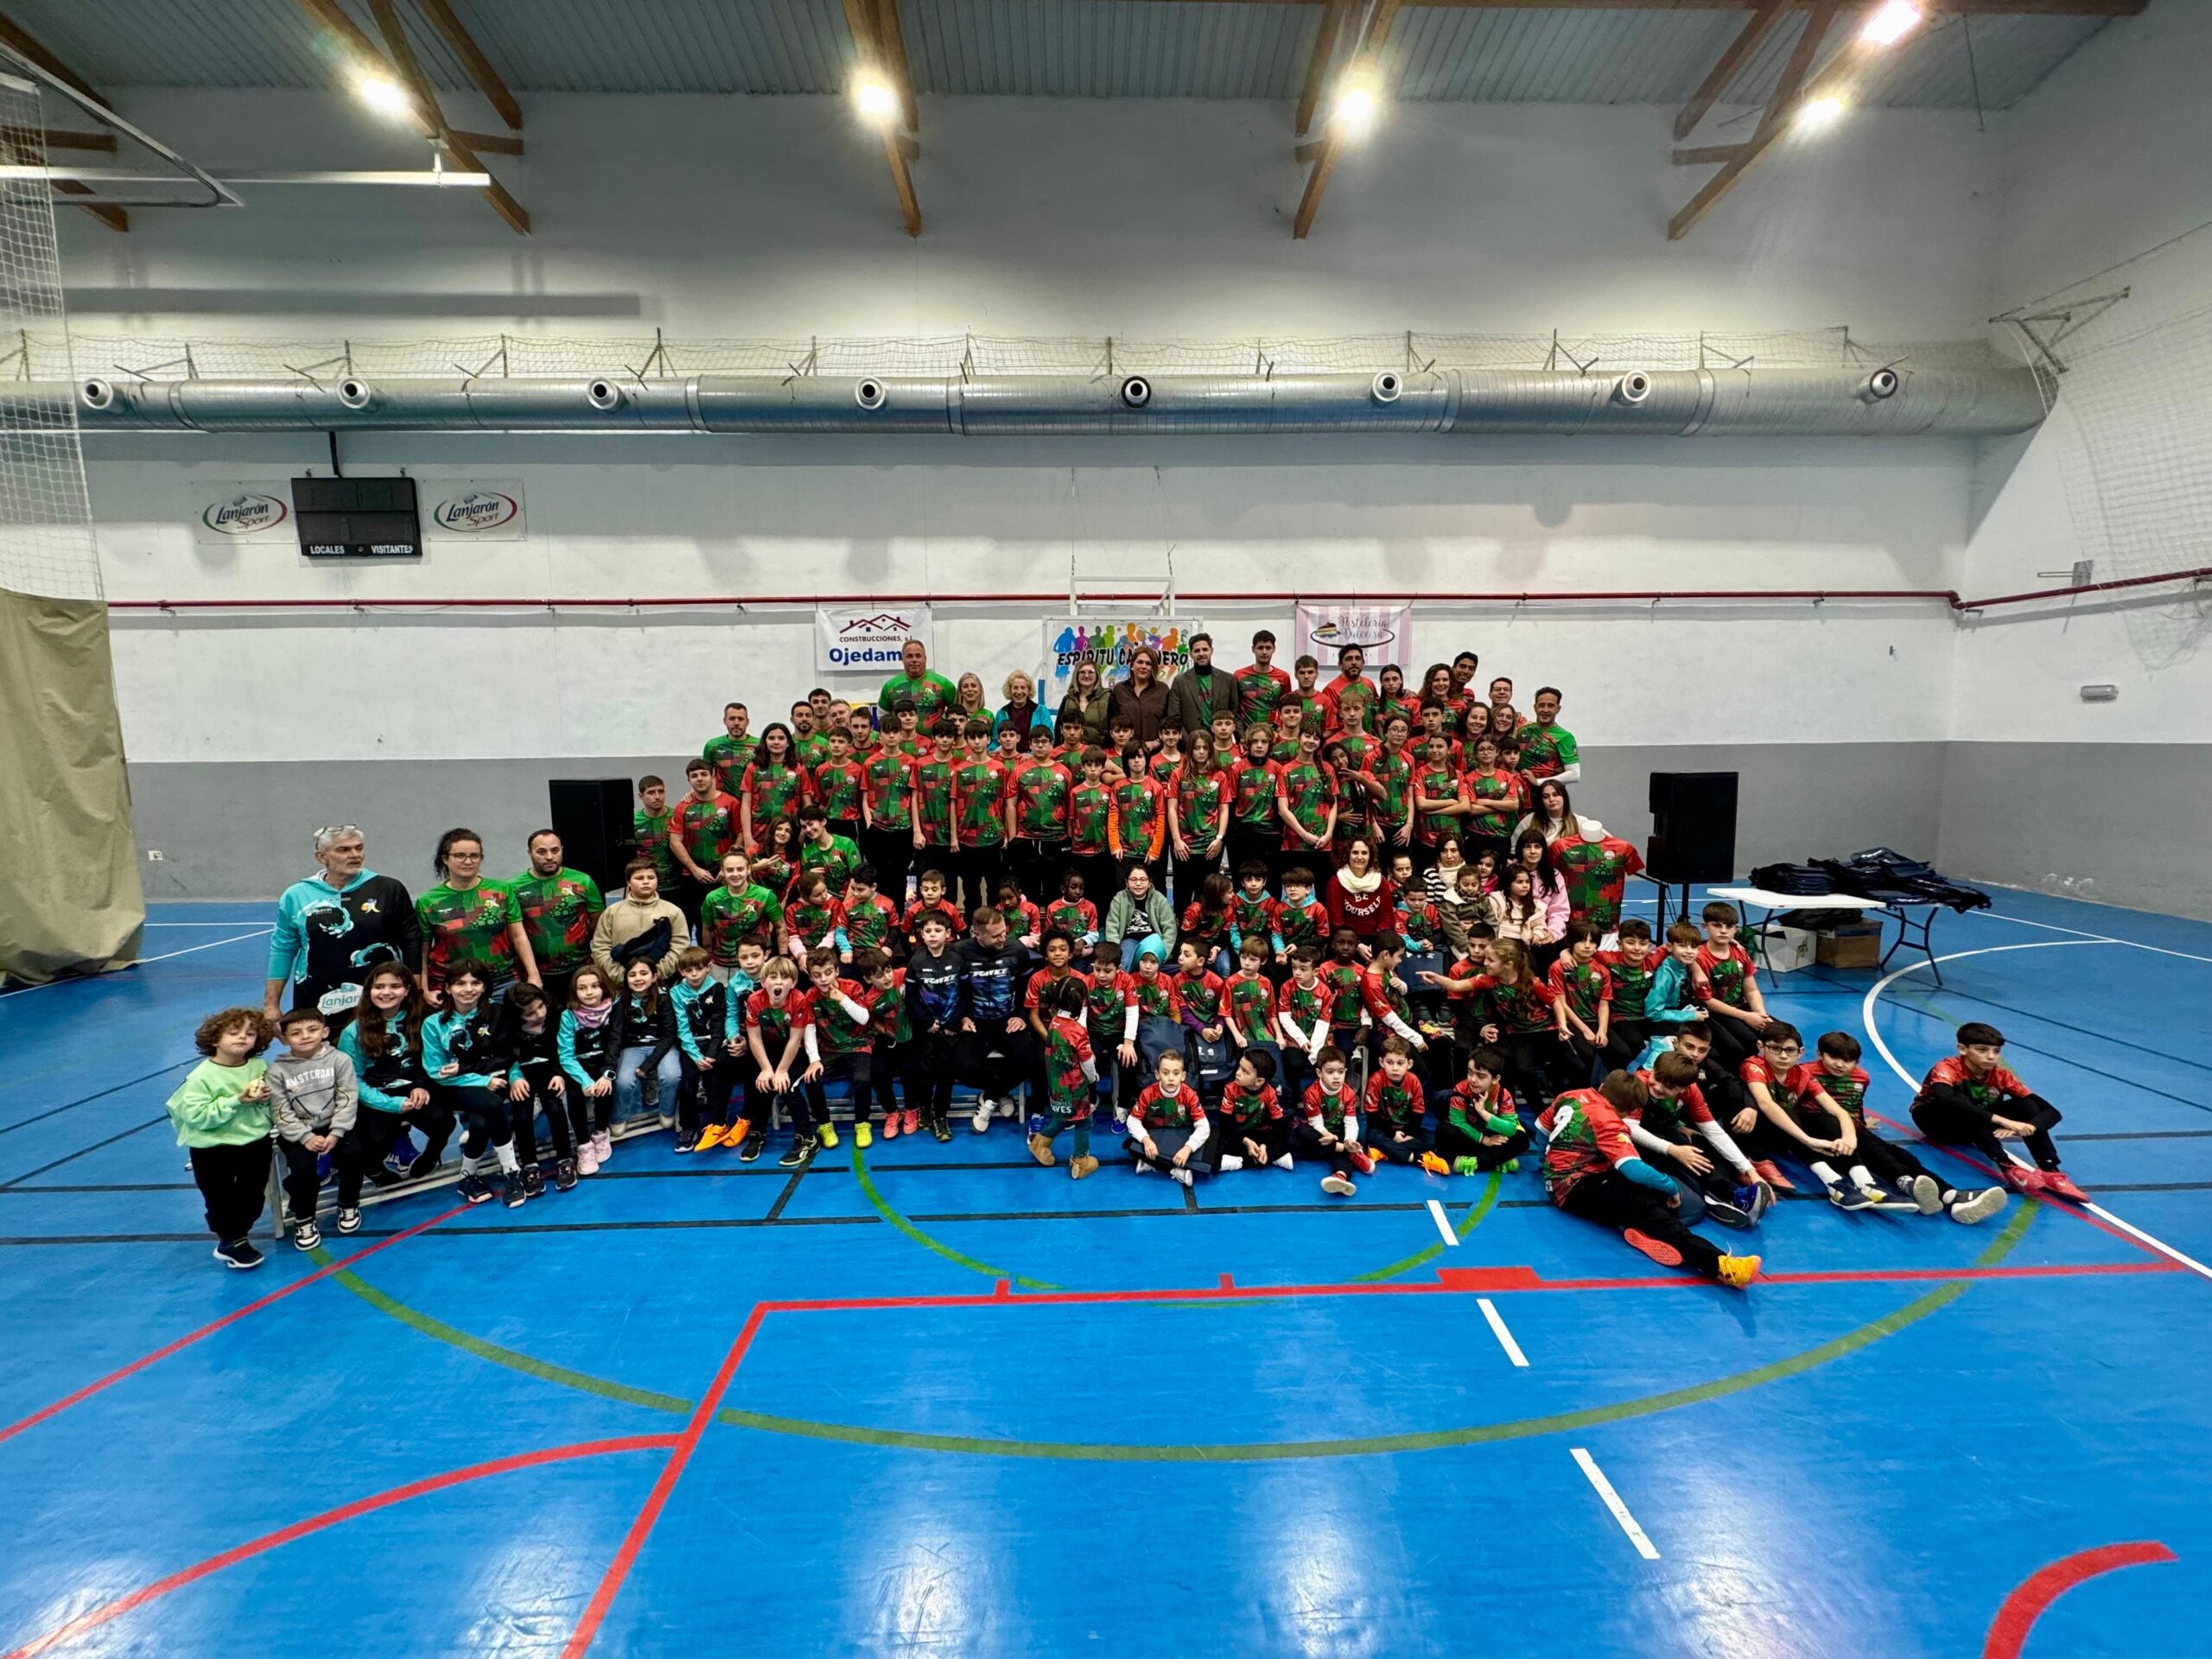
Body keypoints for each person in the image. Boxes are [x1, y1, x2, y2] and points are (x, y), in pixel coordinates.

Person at [1538, 1072, 1760, 1287]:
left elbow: (1541, 1128)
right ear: (1627, 1111)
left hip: (1576, 1177)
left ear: (1603, 1086)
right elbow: (1633, 1169)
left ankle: (1642, 1230)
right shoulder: (1609, 1121)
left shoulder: (1572, 1095)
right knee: (1648, 1207)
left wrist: (1546, 1162)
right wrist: (1670, 1187)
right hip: (1574, 1187)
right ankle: (1721, 1265)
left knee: (1653, 1197)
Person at [1911, 1021, 2086, 1199]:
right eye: (1982, 1050)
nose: (1991, 1057)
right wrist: (2005, 1121)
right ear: (1962, 1049)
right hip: (1936, 1123)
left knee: (2027, 1105)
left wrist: (2029, 1127)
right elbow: (1947, 1100)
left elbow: (2052, 1112)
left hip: (1973, 1124)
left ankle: (2050, 1170)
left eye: (1996, 1051)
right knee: (1962, 1102)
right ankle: (2007, 1165)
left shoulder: (2001, 1076)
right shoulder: (1947, 1068)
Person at [264, 825, 420, 1024]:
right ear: (321, 857)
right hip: (317, 999)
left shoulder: (389, 889)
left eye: (359, 848)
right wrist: (271, 1004)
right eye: (344, 850)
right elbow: (282, 949)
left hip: (380, 999)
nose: (355, 855)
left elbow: (412, 942)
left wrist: (417, 992)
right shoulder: (296, 895)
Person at [167, 1007, 278, 1268]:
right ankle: (231, 1241)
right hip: (213, 1148)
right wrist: (237, 1100)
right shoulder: (201, 1077)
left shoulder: (259, 1066)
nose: (242, 1037)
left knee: (253, 1196)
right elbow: (198, 1116)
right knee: (220, 1199)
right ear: (215, 1039)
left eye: (250, 1033)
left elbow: (268, 1104)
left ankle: (237, 1235)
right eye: (234, 1032)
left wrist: (266, 1098)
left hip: (254, 1141)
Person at [335, 963, 442, 1205]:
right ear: (369, 991)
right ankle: (375, 1170)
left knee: (443, 1120)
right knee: (376, 1140)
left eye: (395, 986)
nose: (386, 992)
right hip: (376, 1093)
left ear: (407, 990)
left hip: (414, 1087)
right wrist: (391, 1104)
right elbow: (352, 1080)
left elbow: (431, 1060)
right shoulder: (354, 1031)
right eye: (379, 987)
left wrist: (422, 1085)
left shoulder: (421, 1019)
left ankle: (430, 1155)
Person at [422, 960, 526, 1207]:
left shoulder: (498, 1014)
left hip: (495, 1079)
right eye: (460, 983)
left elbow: (507, 1056)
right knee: (490, 1104)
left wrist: (514, 1076)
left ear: (485, 987)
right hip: (453, 1086)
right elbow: (437, 1071)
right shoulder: (433, 1024)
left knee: (480, 1122)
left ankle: (467, 1176)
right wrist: (483, 1079)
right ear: (448, 988)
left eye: (475, 983)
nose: (468, 989)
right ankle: (512, 1170)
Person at [265, 1007, 358, 1249]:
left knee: (353, 1155)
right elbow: (281, 1111)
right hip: (299, 1132)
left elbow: (347, 1097)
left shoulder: (340, 1060)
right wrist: (305, 1137)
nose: (305, 1036)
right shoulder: (277, 1071)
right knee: (303, 1168)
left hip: (335, 1125)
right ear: (284, 1039)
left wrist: (336, 1132)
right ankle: (305, 1218)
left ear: (324, 1032)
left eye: (312, 1030)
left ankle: (348, 1203)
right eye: (296, 1033)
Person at [416, 829, 537, 1002]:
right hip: (453, 987)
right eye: (459, 856)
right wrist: (424, 989)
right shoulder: (428, 902)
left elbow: (518, 935)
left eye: (474, 856)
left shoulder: (502, 891)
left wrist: (533, 975)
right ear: (445, 859)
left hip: (502, 982)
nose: (468, 861)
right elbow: (423, 950)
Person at [954, 905, 1036, 1132]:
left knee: (1029, 1057)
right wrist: (961, 1018)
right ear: (977, 934)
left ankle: (989, 1099)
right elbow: (954, 989)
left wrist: (1021, 1016)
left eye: (1004, 932)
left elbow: (1026, 986)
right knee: (962, 1067)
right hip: (975, 1022)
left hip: (1007, 1020)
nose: (1003, 939)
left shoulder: (1017, 949)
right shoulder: (959, 952)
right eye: (995, 936)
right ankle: (1000, 1092)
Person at [496, 981, 582, 1193]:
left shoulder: (556, 1015)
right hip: (522, 1073)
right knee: (522, 1113)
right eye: (530, 1013)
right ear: (517, 1016)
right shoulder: (508, 1026)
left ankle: (565, 1157)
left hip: (550, 1069)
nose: (539, 1014)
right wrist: (515, 1078)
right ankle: (529, 1164)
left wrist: (558, 1074)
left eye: (541, 1007)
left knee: (554, 1106)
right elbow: (507, 1056)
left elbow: (563, 1049)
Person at [508, 830, 604, 1011]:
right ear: (530, 853)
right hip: (537, 974)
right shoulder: (513, 887)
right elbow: (514, 931)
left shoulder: (582, 881)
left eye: (555, 850)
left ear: (562, 850)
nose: (549, 857)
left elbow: (597, 921)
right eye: (541, 852)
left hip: (580, 970)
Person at [744, 956, 825, 1167]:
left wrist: (781, 1071)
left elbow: (795, 1040)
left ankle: (807, 1138)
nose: (778, 982)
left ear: (793, 982)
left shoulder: (799, 1000)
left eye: (784, 977)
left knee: (787, 1087)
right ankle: (757, 1133)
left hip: (794, 1051)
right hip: (769, 1050)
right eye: (773, 977)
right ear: (763, 982)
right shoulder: (754, 1000)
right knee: (762, 1085)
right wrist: (766, 1069)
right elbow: (754, 1038)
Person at [804, 950, 883, 1148]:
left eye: (828, 972)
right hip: (829, 1048)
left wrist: (842, 999)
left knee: (863, 1080)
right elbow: (809, 1028)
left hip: (859, 1044)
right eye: (817, 975)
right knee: (812, 1079)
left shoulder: (853, 987)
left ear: (836, 971)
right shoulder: (811, 996)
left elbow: (864, 1019)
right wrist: (814, 1059)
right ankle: (824, 1124)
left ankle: (862, 1123)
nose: (823, 979)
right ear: (811, 977)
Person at [1027, 976, 1103, 1179]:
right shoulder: (1078, 1031)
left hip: (1055, 1083)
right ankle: (1080, 1161)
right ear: (1082, 1001)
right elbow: (1087, 1063)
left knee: (1062, 1116)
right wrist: (1092, 1079)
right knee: (1084, 1120)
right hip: (1074, 1086)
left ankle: (1040, 1142)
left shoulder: (1054, 1022)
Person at [669, 946, 741, 1154]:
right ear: (681, 971)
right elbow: (682, 1027)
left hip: (713, 1045)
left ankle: (716, 1122)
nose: (694, 974)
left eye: (698, 969)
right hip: (691, 1047)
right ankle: (688, 1126)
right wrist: (696, 1056)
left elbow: (719, 1024)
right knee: (687, 1083)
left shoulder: (717, 989)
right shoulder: (676, 992)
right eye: (688, 970)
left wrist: (711, 1054)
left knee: (715, 1081)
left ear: (708, 968)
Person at [556, 963, 621, 1173]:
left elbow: (615, 1042)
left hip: (604, 1062)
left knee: (605, 1089)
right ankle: (584, 1145)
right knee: (575, 1096)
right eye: (582, 988)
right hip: (578, 1066)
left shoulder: (614, 1008)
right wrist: (584, 1080)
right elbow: (565, 1055)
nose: (589, 992)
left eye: (595, 986)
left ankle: (600, 1133)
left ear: (604, 987)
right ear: (574, 991)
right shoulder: (568, 1016)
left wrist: (607, 1074)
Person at [1691, 901, 1768, 1070]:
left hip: (1740, 1008)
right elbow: (1707, 1001)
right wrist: (1746, 1016)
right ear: (1705, 926)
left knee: (1781, 1033)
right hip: (1714, 1012)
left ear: (1735, 929)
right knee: (1745, 1043)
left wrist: (1761, 1015)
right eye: (1717, 925)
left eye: (1729, 926)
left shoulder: (1739, 952)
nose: (1724, 931)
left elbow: (1752, 990)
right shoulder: (1698, 957)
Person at [1434, 1046, 1532, 1177]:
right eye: (1470, 1073)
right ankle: (1499, 1159)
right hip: (1471, 1134)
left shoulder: (1503, 1094)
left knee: (1522, 1140)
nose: (1473, 1080)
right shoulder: (1460, 1090)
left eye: (1481, 1076)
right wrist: (1484, 1140)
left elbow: (1509, 1130)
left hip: (1492, 1132)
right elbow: (1458, 1122)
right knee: (1445, 1133)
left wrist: (1482, 1112)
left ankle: (1476, 1162)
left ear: (1495, 1079)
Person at [590, 859, 688, 985]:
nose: (646, 882)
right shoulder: (612, 912)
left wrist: (654, 975)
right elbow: (600, 948)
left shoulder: (673, 912)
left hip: (660, 983)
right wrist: (623, 976)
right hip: (620, 985)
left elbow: (680, 947)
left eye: (651, 878)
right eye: (639, 878)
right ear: (628, 882)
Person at [669, 760, 741, 928]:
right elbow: (675, 842)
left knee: (726, 921)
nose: (699, 779)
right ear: (689, 781)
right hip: (693, 874)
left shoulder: (731, 803)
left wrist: (727, 867)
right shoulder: (682, 807)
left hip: (723, 874)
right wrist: (694, 869)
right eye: (694, 776)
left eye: (704, 774)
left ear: (713, 776)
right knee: (697, 922)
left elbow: (741, 836)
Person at [1126, 1050, 1210, 1187]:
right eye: (1165, 1073)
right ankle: (1175, 1170)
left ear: (1183, 1076)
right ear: (1157, 1074)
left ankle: (1153, 1164)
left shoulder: (1190, 1095)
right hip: (1156, 1138)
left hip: (1181, 1137)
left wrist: (1187, 1148)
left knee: (1208, 1150)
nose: (1171, 1078)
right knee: (1131, 1145)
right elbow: (1132, 1120)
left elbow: (1204, 1127)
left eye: (1176, 1073)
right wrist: (1146, 1140)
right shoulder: (1147, 1094)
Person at [1010, 722, 1073, 905]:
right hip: (1026, 839)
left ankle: (1052, 923)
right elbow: (1011, 805)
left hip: (1056, 839)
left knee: (1054, 891)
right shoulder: (1020, 770)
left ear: (1052, 744)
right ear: (1030, 744)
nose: (1040, 745)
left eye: (1045, 742)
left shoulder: (1064, 772)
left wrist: (1069, 835)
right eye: (1036, 742)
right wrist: (1013, 836)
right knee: (1028, 891)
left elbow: (1070, 806)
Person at [861, 701, 918, 904]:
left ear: (902, 735)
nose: (892, 736)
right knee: (879, 876)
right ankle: (881, 915)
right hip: (878, 828)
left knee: (900, 876)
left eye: (895, 732)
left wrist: (915, 828)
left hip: (903, 828)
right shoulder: (871, 763)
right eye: (887, 732)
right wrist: (869, 823)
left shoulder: (911, 762)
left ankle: (898, 919)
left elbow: (914, 796)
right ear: (880, 735)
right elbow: (864, 796)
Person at [1295, 1046, 1370, 1198]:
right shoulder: (1311, 1093)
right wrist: (1327, 1135)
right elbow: (1316, 1123)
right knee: (1301, 1131)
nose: (1336, 1077)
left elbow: (1350, 1121)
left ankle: (1340, 1175)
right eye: (1330, 1072)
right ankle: (1351, 1153)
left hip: (1338, 1134)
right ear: (1319, 1073)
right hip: (1322, 1133)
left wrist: (1349, 1140)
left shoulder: (1349, 1093)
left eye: (1340, 1072)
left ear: (1345, 1071)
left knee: (1360, 1132)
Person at [1548, 818, 1643, 938]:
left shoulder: (1624, 848)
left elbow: (1634, 867)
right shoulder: (1560, 846)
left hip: (1608, 929)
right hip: (1572, 928)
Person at [1168, 729, 1230, 906]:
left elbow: (1224, 809)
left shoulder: (1219, 776)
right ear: (1190, 750)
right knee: (1182, 892)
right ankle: (1181, 922)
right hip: (1184, 844)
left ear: (1211, 750)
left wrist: (1220, 839)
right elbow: (1172, 809)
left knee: (1207, 893)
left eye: (1205, 748)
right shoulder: (1178, 774)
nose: (1201, 752)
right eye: (1196, 748)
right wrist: (1176, 840)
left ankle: (1205, 923)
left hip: (1210, 844)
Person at [698, 851, 782, 978]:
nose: (735, 874)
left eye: (740, 869)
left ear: (748, 869)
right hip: (721, 963)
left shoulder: (765, 896)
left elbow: (781, 927)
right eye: (730, 870)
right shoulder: (712, 898)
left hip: (757, 963)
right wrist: (708, 958)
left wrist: (783, 958)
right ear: (723, 871)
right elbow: (707, 930)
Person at [1549, 920, 1611, 1084]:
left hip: (1594, 1020)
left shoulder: (1602, 970)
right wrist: (1585, 1031)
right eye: (1582, 941)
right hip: (1570, 1021)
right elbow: (1561, 1004)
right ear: (1572, 942)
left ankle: (1608, 1086)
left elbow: (1604, 1003)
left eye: (1592, 942)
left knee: (1621, 1051)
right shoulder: (1558, 968)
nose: (1587, 946)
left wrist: (1602, 1031)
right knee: (1586, 1055)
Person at [1210, 1048, 1288, 1173]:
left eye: (1245, 1072)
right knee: (1215, 1140)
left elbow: (1279, 1125)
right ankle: (1267, 1159)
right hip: (1239, 1135)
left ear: (1259, 1081)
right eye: (1239, 1067)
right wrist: (1245, 1141)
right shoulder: (1230, 1089)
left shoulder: (1270, 1093)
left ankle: (1245, 1160)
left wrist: (1264, 1146)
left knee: (1289, 1136)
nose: (1238, 1073)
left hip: (1260, 1135)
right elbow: (1225, 1123)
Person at [1365, 1037, 1438, 1169]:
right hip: (1384, 1128)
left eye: (1400, 1063)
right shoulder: (1375, 1080)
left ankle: (1383, 1151)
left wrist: (1410, 1134)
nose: (1395, 1068)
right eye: (1389, 1062)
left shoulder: (1414, 1081)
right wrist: (1392, 1135)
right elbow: (1372, 1115)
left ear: (1409, 1064)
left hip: (1406, 1128)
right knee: (1372, 1135)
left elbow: (1418, 1112)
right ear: (1381, 1062)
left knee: (1432, 1139)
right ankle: (1415, 1157)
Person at [1275, 725, 1338, 874]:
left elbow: (1333, 805)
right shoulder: (1286, 770)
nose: (1311, 741)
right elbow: (1282, 810)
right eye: (1307, 736)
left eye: (1316, 738)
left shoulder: (1328, 769)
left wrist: (1328, 835)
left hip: (1322, 843)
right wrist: (1304, 834)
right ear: (1299, 738)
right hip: (1294, 843)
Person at [739, 724, 809, 856]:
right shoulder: (753, 768)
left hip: (790, 833)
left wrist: (804, 831)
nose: (776, 742)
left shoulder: (799, 769)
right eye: (771, 738)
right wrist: (747, 837)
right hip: (759, 832)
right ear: (765, 742)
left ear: (788, 743)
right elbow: (746, 804)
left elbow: (807, 805)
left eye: (781, 738)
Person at [1461, 734, 1526, 869]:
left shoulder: (1506, 777)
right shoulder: (1469, 778)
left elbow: (1514, 805)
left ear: (1497, 753)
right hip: (1477, 836)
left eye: (1490, 749)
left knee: (1500, 874)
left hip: (1502, 836)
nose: (1486, 753)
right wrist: (1501, 804)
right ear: (1476, 753)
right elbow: (1472, 809)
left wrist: (1486, 801)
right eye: (1481, 749)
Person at [1103, 863, 1179, 971]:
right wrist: (1115, 952)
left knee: (1151, 963)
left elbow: (1170, 929)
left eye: (1143, 880)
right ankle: (1123, 980)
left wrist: (1164, 952)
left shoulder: (1159, 899)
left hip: (1152, 940)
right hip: (1128, 940)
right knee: (1124, 962)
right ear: (1126, 882)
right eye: (1133, 880)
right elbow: (1112, 927)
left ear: (1150, 882)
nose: (1138, 883)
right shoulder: (1119, 898)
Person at [1322, 832, 1395, 944]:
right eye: (1355, 852)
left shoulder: (1381, 881)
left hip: (1377, 938)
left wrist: (1376, 944)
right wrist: (1358, 945)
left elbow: (1386, 917)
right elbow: (1336, 921)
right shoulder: (1336, 882)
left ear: (1370, 856)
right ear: (1348, 854)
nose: (1360, 857)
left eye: (1364, 853)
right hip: (1346, 940)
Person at [1164, 631, 1235, 739]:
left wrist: (1241, 739)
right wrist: (1190, 742)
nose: (1201, 654)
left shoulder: (1228, 679)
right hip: (1189, 743)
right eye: (1197, 651)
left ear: (1211, 651)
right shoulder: (1180, 681)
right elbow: (1174, 718)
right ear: (1191, 654)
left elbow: (1235, 714)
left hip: (1220, 742)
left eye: (1205, 649)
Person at [878, 639, 959, 727]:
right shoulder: (890, 686)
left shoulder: (944, 684)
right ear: (902, 659)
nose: (914, 660)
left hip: (936, 735)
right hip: (901, 736)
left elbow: (958, 713)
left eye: (918, 656)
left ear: (925, 659)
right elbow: (882, 716)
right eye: (909, 656)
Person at [809, 729, 867, 846]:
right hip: (827, 821)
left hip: (850, 821)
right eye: (833, 741)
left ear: (849, 746)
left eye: (841, 742)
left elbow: (863, 799)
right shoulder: (821, 770)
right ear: (828, 744)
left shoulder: (858, 770)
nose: (836, 745)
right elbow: (817, 798)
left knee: (851, 853)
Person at [1109, 644, 1172, 750]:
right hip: (1125, 753)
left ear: (1153, 668)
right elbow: (1111, 724)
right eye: (1140, 662)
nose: (1144, 666)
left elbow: (1170, 723)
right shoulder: (1119, 690)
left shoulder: (1163, 690)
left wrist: (1158, 742)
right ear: (1132, 665)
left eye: (1148, 663)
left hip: (1155, 753)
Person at [1515, 686, 1581, 785]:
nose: (1545, 710)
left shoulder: (1564, 737)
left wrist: (1538, 782)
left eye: (1551, 706)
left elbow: (1574, 775)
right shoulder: (1523, 729)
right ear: (1535, 707)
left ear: (1558, 709)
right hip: (1520, 788)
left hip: (1547, 790)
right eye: (1541, 705)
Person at [1236, 629, 1293, 731]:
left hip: (1272, 734)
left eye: (1268, 648)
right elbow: (1234, 708)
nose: (1264, 652)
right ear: (1253, 649)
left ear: (1274, 649)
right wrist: (1240, 735)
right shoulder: (1240, 675)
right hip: (1247, 734)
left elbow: (1286, 707)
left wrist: (1279, 731)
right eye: (1260, 648)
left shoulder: (1283, 677)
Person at [702, 701, 756, 797]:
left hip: (752, 801)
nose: (736, 723)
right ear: (725, 721)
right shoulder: (713, 746)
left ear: (747, 722)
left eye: (741, 719)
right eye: (732, 719)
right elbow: (703, 775)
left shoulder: (759, 745)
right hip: (724, 802)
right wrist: (693, 793)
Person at [1055, 658, 1114, 746]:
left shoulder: (1108, 698)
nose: (1086, 676)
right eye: (1082, 672)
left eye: (1091, 672)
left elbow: (1114, 728)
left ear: (1097, 675)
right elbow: (1058, 729)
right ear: (1076, 675)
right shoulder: (1067, 699)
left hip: (1100, 751)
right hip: (1071, 751)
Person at [632, 776, 677, 889]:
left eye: (661, 792)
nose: (657, 797)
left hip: (677, 882)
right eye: (651, 792)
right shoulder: (634, 821)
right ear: (641, 796)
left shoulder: (676, 816)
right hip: (647, 884)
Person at [1510, 779, 1582, 849]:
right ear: (1541, 801)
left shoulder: (1579, 821)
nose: (1551, 799)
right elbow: (1514, 848)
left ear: (1564, 798)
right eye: (1545, 797)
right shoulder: (1530, 820)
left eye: (1555, 795)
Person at [994, 670, 1042, 743]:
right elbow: (994, 740)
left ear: (1029, 690)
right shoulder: (1001, 713)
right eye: (1015, 687)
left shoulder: (1041, 711)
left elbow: (1050, 737)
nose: (1019, 692)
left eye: (1023, 687)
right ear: (1009, 690)